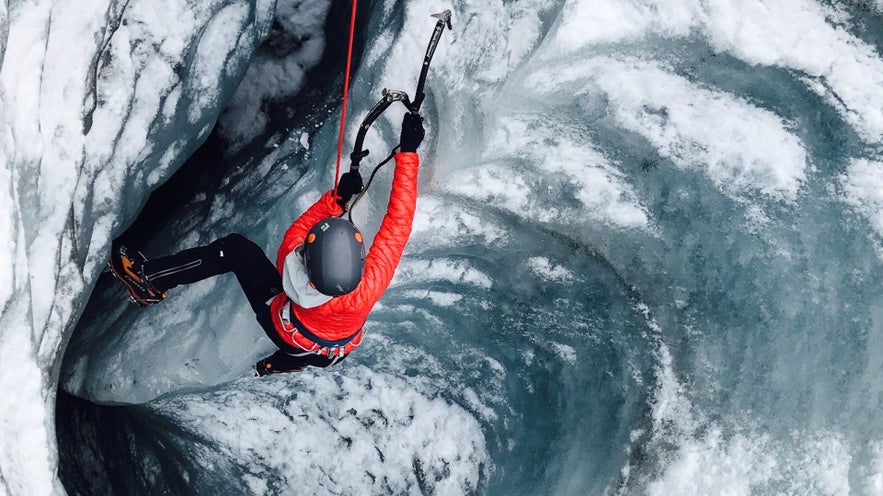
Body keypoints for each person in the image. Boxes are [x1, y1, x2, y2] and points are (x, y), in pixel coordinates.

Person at [109, 112, 425, 375]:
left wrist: (336, 201)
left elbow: (300, 229)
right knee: (317, 350)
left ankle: (150, 279)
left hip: (290, 331)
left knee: (236, 250)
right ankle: (285, 363)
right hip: (336, 349)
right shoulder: (370, 285)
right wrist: (408, 155)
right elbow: (399, 222)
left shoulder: (293, 268)